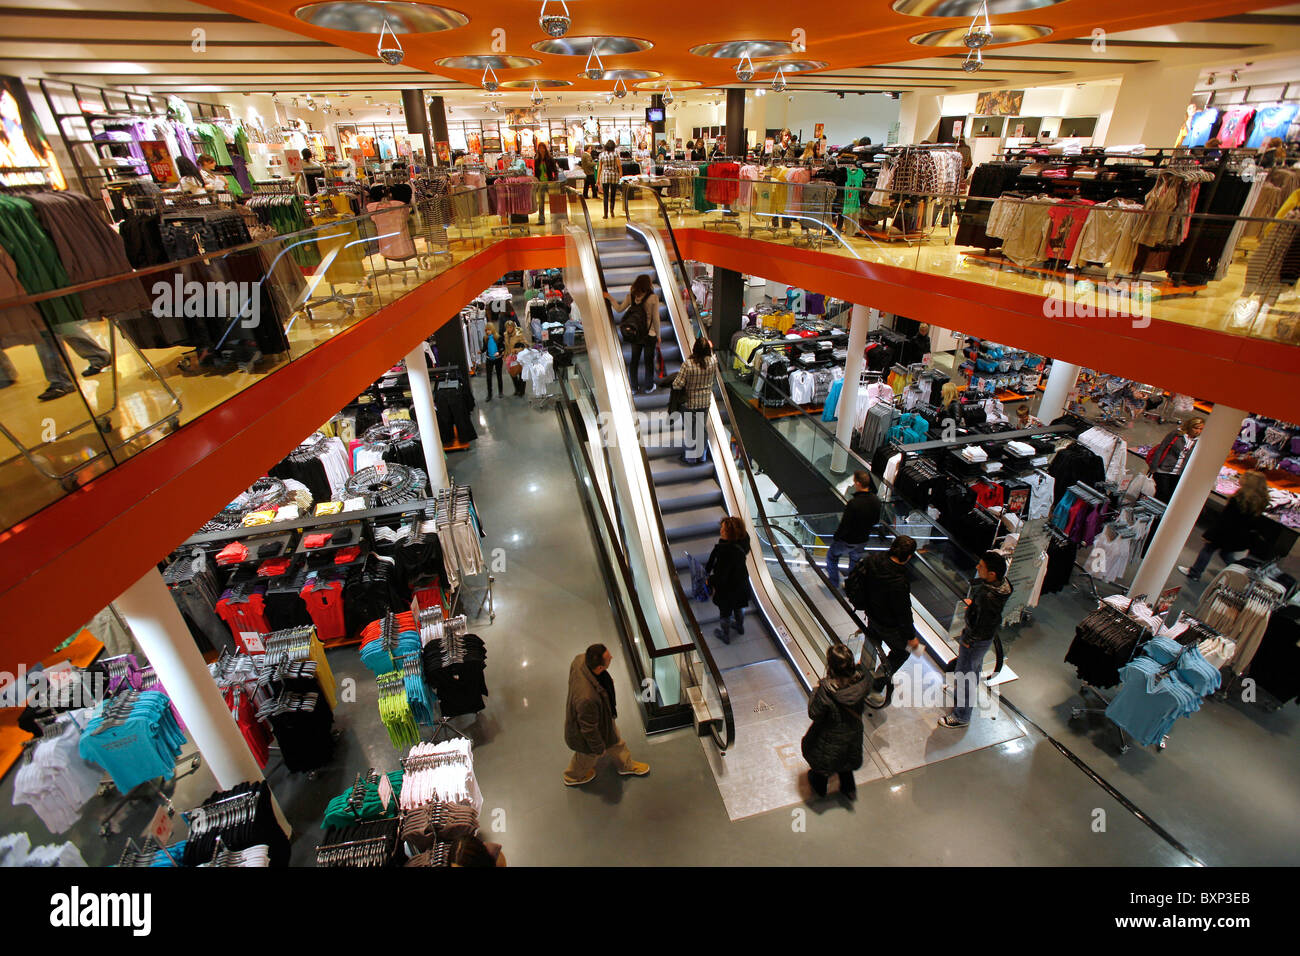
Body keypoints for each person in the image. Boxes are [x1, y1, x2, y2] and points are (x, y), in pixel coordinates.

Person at [844, 535, 922, 700]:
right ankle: (879, 680)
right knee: (903, 652)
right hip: (889, 624)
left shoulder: (873, 560)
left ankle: (864, 669)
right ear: (908, 557)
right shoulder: (899, 581)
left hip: (871, 613)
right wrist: (911, 637)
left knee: (873, 640)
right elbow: (904, 613)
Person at [941, 551, 1011, 729]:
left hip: (975, 639)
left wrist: (969, 639)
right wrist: (975, 605)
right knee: (971, 669)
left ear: (992, 574)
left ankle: (961, 716)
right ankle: (960, 699)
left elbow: (981, 621)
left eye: (981, 567)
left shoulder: (987, 597)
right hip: (985, 638)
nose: (977, 567)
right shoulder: (1003, 587)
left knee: (966, 675)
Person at [563, 643, 650, 785]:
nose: (612, 658)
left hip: (602, 718)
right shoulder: (588, 699)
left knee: (616, 741)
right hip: (590, 732)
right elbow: (589, 729)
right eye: (609, 658)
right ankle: (572, 776)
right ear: (599, 668)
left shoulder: (580, 660)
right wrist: (599, 748)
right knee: (586, 757)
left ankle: (625, 765)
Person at [801, 643, 869, 799]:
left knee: (823, 765)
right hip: (853, 732)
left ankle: (820, 789)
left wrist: (815, 692)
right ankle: (849, 789)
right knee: (846, 761)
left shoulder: (827, 690)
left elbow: (814, 713)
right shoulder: (862, 681)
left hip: (829, 736)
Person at [1178, 470, 1269, 582]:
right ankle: (1241, 574)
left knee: (1208, 550)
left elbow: (1225, 520)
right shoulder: (1260, 501)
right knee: (1226, 554)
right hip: (1239, 535)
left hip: (1224, 532)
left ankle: (1195, 572)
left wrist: (1210, 534)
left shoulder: (1239, 499)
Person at [825, 470, 881, 591]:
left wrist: (836, 537)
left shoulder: (854, 504)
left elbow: (845, 525)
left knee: (831, 557)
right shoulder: (876, 501)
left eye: (855, 481)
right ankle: (851, 585)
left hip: (847, 540)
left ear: (859, 483)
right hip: (863, 540)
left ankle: (834, 583)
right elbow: (876, 521)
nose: (854, 484)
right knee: (854, 562)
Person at [605, 274, 659, 393]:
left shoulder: (631, 297)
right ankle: (649, 387)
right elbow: (656, 319)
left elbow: (619, 309)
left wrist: (609, 297)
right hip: (650, 334)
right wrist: (658, 335)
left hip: (636, 333)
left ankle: (634, 388)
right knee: (648, 361)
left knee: (634, 361)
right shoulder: (653, 298)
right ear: (648, 285)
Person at [706, 516, 752, 645]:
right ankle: (739, 626)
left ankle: (725, 635)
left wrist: (710, 581)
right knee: (739, 606)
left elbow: (721, 575)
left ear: (730, 534)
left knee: (725, 613)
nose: (721, 531)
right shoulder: (744, 540)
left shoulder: (725, 552)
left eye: (724, 529)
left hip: (727, 589)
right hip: (741, 582)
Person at [671, 336, 717, 464]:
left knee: (691, 430)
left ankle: (690, 457)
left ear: (694, 349)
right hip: (705, 401)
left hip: (690, 403)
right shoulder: (713, 361)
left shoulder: (688, 364)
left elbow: (677, 384)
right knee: (701, 428)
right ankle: (701, 456)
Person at [1149, 416, 1205, 502]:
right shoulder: (1177, 434)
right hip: (1164, 470)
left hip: (1178, 474)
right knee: (1162, 494)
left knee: (1170, 497)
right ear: (1190, 426)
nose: (1198, 431)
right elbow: (1161, 448)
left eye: (1201, 429)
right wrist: (1153, 467)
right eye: (1196, 428)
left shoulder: (1198, 441)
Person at [534, 141, 558, 225]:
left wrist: (555, 179)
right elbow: (536, 172)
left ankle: (555, 218)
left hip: (549, 182)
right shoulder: (537, 160)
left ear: (545, 149)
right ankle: (541, 219)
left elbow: (555, 170)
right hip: (541, 183)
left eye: (543, 148)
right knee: (541, 202)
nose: (541, 150)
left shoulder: (550, 159)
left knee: (553, 201)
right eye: (540, 148)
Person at [503, 318, 528, 397]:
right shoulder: (506, 335)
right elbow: (506, 346)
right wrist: (505, 355)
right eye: (507, 327)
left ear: (513, 327)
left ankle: (522, 391)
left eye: (510, 327)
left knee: (521, 374)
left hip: (519, 356)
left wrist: (518, 350)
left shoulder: (518, 334)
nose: (509, 329)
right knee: (512, 373)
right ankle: (517, 389)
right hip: (510, 357)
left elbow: (525, 344)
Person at [482, 321, 504, 402]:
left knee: (499, 375)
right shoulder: (485, 338)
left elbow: (502, 348)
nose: (487, 331)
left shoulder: (498, 337)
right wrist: (481, 351)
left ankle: (500, 392)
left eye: (489, 330)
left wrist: (499, 352)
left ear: (492, 330)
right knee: (488, 377)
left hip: (498, 359)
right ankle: (489, 394)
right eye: (486, 330)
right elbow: (484, 348)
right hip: (489, 359)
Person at [598, 139, 620, 218]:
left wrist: (597, 179)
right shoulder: (615, 154)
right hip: (614, 175)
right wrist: (621, 174)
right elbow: (619, 165)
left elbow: (600, 168)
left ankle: (605, 214)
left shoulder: (601, 155)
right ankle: (612, 211)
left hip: (605, 176)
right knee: (613, 195)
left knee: (605, 195)